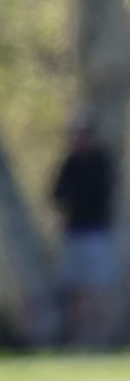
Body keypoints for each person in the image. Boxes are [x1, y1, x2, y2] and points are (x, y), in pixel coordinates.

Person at [52, 114, 118, 347]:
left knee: (98, 287)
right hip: (74, 232)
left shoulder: (101, 161)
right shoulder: (70, 163)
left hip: (97, 233)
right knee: (76, 289)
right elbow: (56, 194)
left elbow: (99, 193)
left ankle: (103, 338)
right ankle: (79, 339)